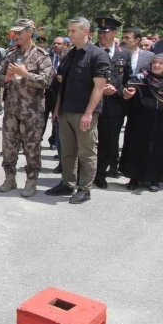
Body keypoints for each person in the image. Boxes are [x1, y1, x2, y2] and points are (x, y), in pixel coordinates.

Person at [46, 17, 109, 204]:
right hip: (66, 111)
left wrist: (89, 113)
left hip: (84, 113)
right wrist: (57, 109)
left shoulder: (98, 55)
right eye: (69, 30)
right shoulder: (70, 55)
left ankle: (84, 189)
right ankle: (67, 182)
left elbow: (99, 87)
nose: (69, 35)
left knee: (86, 152)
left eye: (73, 31)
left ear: (86, 32)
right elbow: (63, 85)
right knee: (67, 151)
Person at [0, 19, 53, 198]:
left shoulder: (41, 55)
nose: (16, 36)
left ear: (30, 32)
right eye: (15, 33)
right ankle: (9, 178)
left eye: (20, 32)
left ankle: (31, 180)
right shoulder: (11, 54)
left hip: (32, 112)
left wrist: (26, 75)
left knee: (31, 147)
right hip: (12, 110)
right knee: (9, 146)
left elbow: (47, 81)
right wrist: (7, 77)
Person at [120, 55, 163, 192]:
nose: (157, 65)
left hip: (162, 124)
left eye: (161, 63)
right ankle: (134, 178)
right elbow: (128, 88)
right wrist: (129, 93)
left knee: (158, 151)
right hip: (139, 121)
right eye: (155, 62)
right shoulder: (140, 79)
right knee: (137, 148)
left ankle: (154, 180)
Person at [93, 17, 131, 189]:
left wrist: (118, 90)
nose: (102, 35)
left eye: (106, 32)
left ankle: (100, 174)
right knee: (89, 142)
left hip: (114, 105)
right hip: (92, 104)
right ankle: (86, 174)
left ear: (115, 33)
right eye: (100, 32)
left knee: (108, 142)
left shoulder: (124, 53)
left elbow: (128, 80)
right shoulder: (90, 51)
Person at [43, 37, 67, 151]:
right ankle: (38, 140)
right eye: (54, 43)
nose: (56, 45)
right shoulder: (46, 55)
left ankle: (53, 141)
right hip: (45, 91)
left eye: (59, 43)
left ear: (64, 45)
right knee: (41, 118)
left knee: (55, 118)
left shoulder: (67, 57)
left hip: (58, 92)